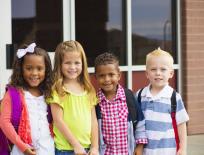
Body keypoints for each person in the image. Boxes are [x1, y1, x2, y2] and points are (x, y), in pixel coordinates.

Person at [0, 43, 54, 155]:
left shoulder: (49, 92)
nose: (34, 73)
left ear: (46, 70)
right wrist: (23, 147)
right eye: (29, 68)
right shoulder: (13, 93)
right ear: (21, 69)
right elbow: (4, 122)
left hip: (48, 148)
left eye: (39, 69)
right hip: (21, 149)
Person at [47, 40, 98, 155]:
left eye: (77, 63)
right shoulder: (58, 89)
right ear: (59, 64)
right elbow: (58, 121)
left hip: (87, 148)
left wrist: (95, 147)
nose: (72, 67)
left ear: (83, 64)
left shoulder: (88, 89)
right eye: (67, 63)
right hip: (66, 149)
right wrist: (76, 145)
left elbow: (93, 121)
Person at [136, 48, 189, 155]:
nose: (158, 73)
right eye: (153, 69)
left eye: (163, 69)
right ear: (147, 73)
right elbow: (137, 124)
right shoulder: (140, 95)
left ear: (171, 73)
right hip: (146, 151)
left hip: (168, 150)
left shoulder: (174, 97)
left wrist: (182, 149)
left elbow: (181, 125)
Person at [94, 52, 147, 155]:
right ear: (96, 77)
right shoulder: (95, 102)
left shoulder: (129, 97)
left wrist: (140, 146)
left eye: (111, 74)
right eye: (102, 76)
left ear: (119, 75)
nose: (107, 79)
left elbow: (140, 123)